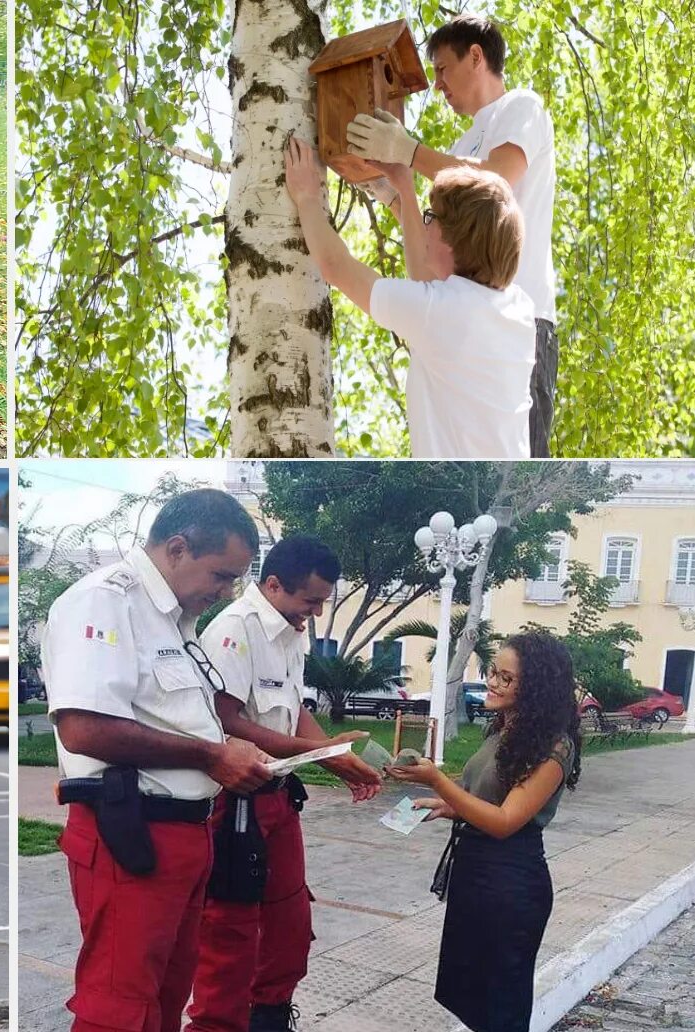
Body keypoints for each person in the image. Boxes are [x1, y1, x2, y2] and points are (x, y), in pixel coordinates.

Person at [43, 488, 275, 1032]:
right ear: (177, 548)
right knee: (118, 1007)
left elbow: (175, 718)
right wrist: (212, 755)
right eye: (221, 576)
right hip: (131, 831)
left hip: (185, 835)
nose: (225, 592)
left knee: (166, 998)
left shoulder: (172, 617)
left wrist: (226, 750)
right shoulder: (104, 600)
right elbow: (82, 728)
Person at [187, 536, 383, 1032]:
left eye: (321, 602)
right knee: (229, 934)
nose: (313, 614)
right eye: (309, 601)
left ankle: (270, 1017)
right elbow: (224, 720)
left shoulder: (290, 632)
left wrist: (337, 757)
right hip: (234, 802)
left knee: (289, 923)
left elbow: (295, 712)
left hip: (278, 798)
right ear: (272, 584)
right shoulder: (234, 630)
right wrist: (317, 754)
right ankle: (216, 1025)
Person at [345, 14, 557, 457]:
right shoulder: (461, 149)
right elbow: (437, 244)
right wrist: (393, 190)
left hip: (519, 322)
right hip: (463, 320)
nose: (437, 85)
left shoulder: (521, 107)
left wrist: (408, 150)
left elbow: (498, 178)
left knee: (515, 476)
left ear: (476, 57)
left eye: (442, 69)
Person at [283, 136, 533, 458]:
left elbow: (336, 266)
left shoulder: (442, 313)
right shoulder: (518, 309)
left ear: (449, 237)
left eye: (431, 218)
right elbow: (427, 287)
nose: (424, 226)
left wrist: (306, 196)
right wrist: (404, 187)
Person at [388, 631, 581, 1032]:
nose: (492, 682)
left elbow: (507, 821)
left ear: (536, 688)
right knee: (474, 997)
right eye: (493, 671)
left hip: (510, 883)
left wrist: (439, 783)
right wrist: (447, 807)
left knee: (501, 1007)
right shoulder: (502, 731)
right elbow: (489, 801)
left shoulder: (554, 747)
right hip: (475, 875)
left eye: (506, 678)